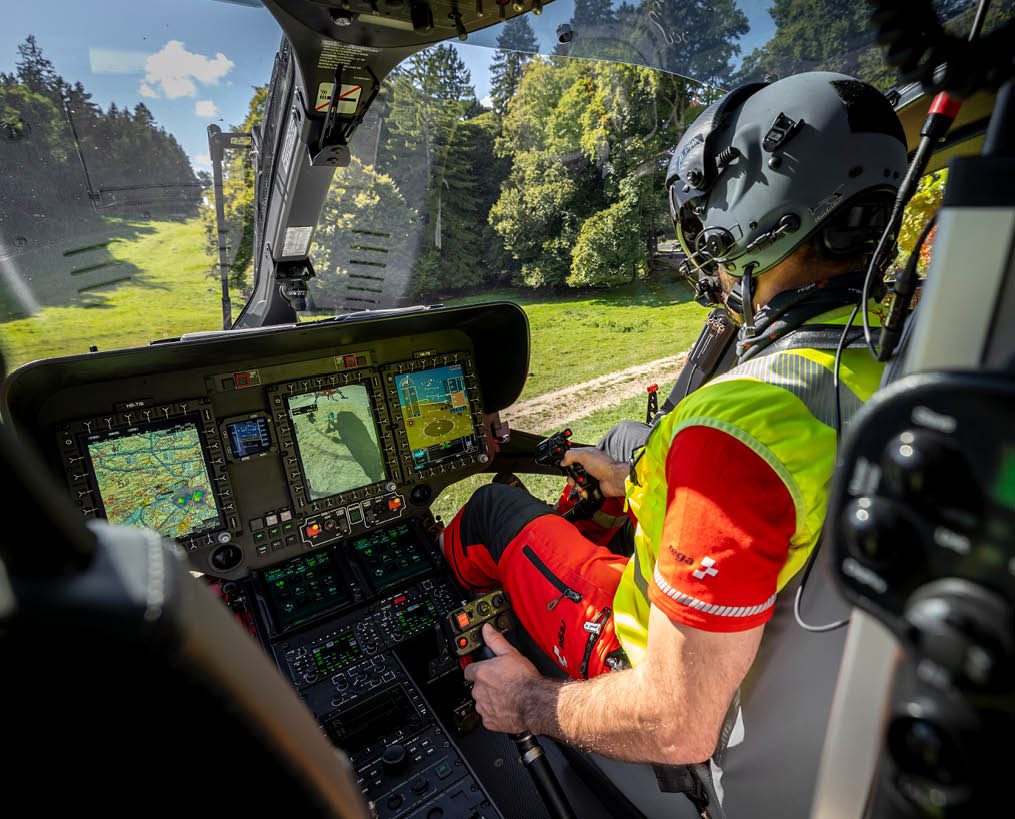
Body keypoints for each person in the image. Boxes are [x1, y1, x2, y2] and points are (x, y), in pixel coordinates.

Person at [440, 71, 908, 814]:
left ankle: (423, 606)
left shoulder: (738, 428)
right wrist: (634, 484)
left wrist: (527, 701)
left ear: (751, 214)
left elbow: (674, 720)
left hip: (656, 684)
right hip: (838, 693)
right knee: (626, 442)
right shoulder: (901, 363)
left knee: (495, 511)